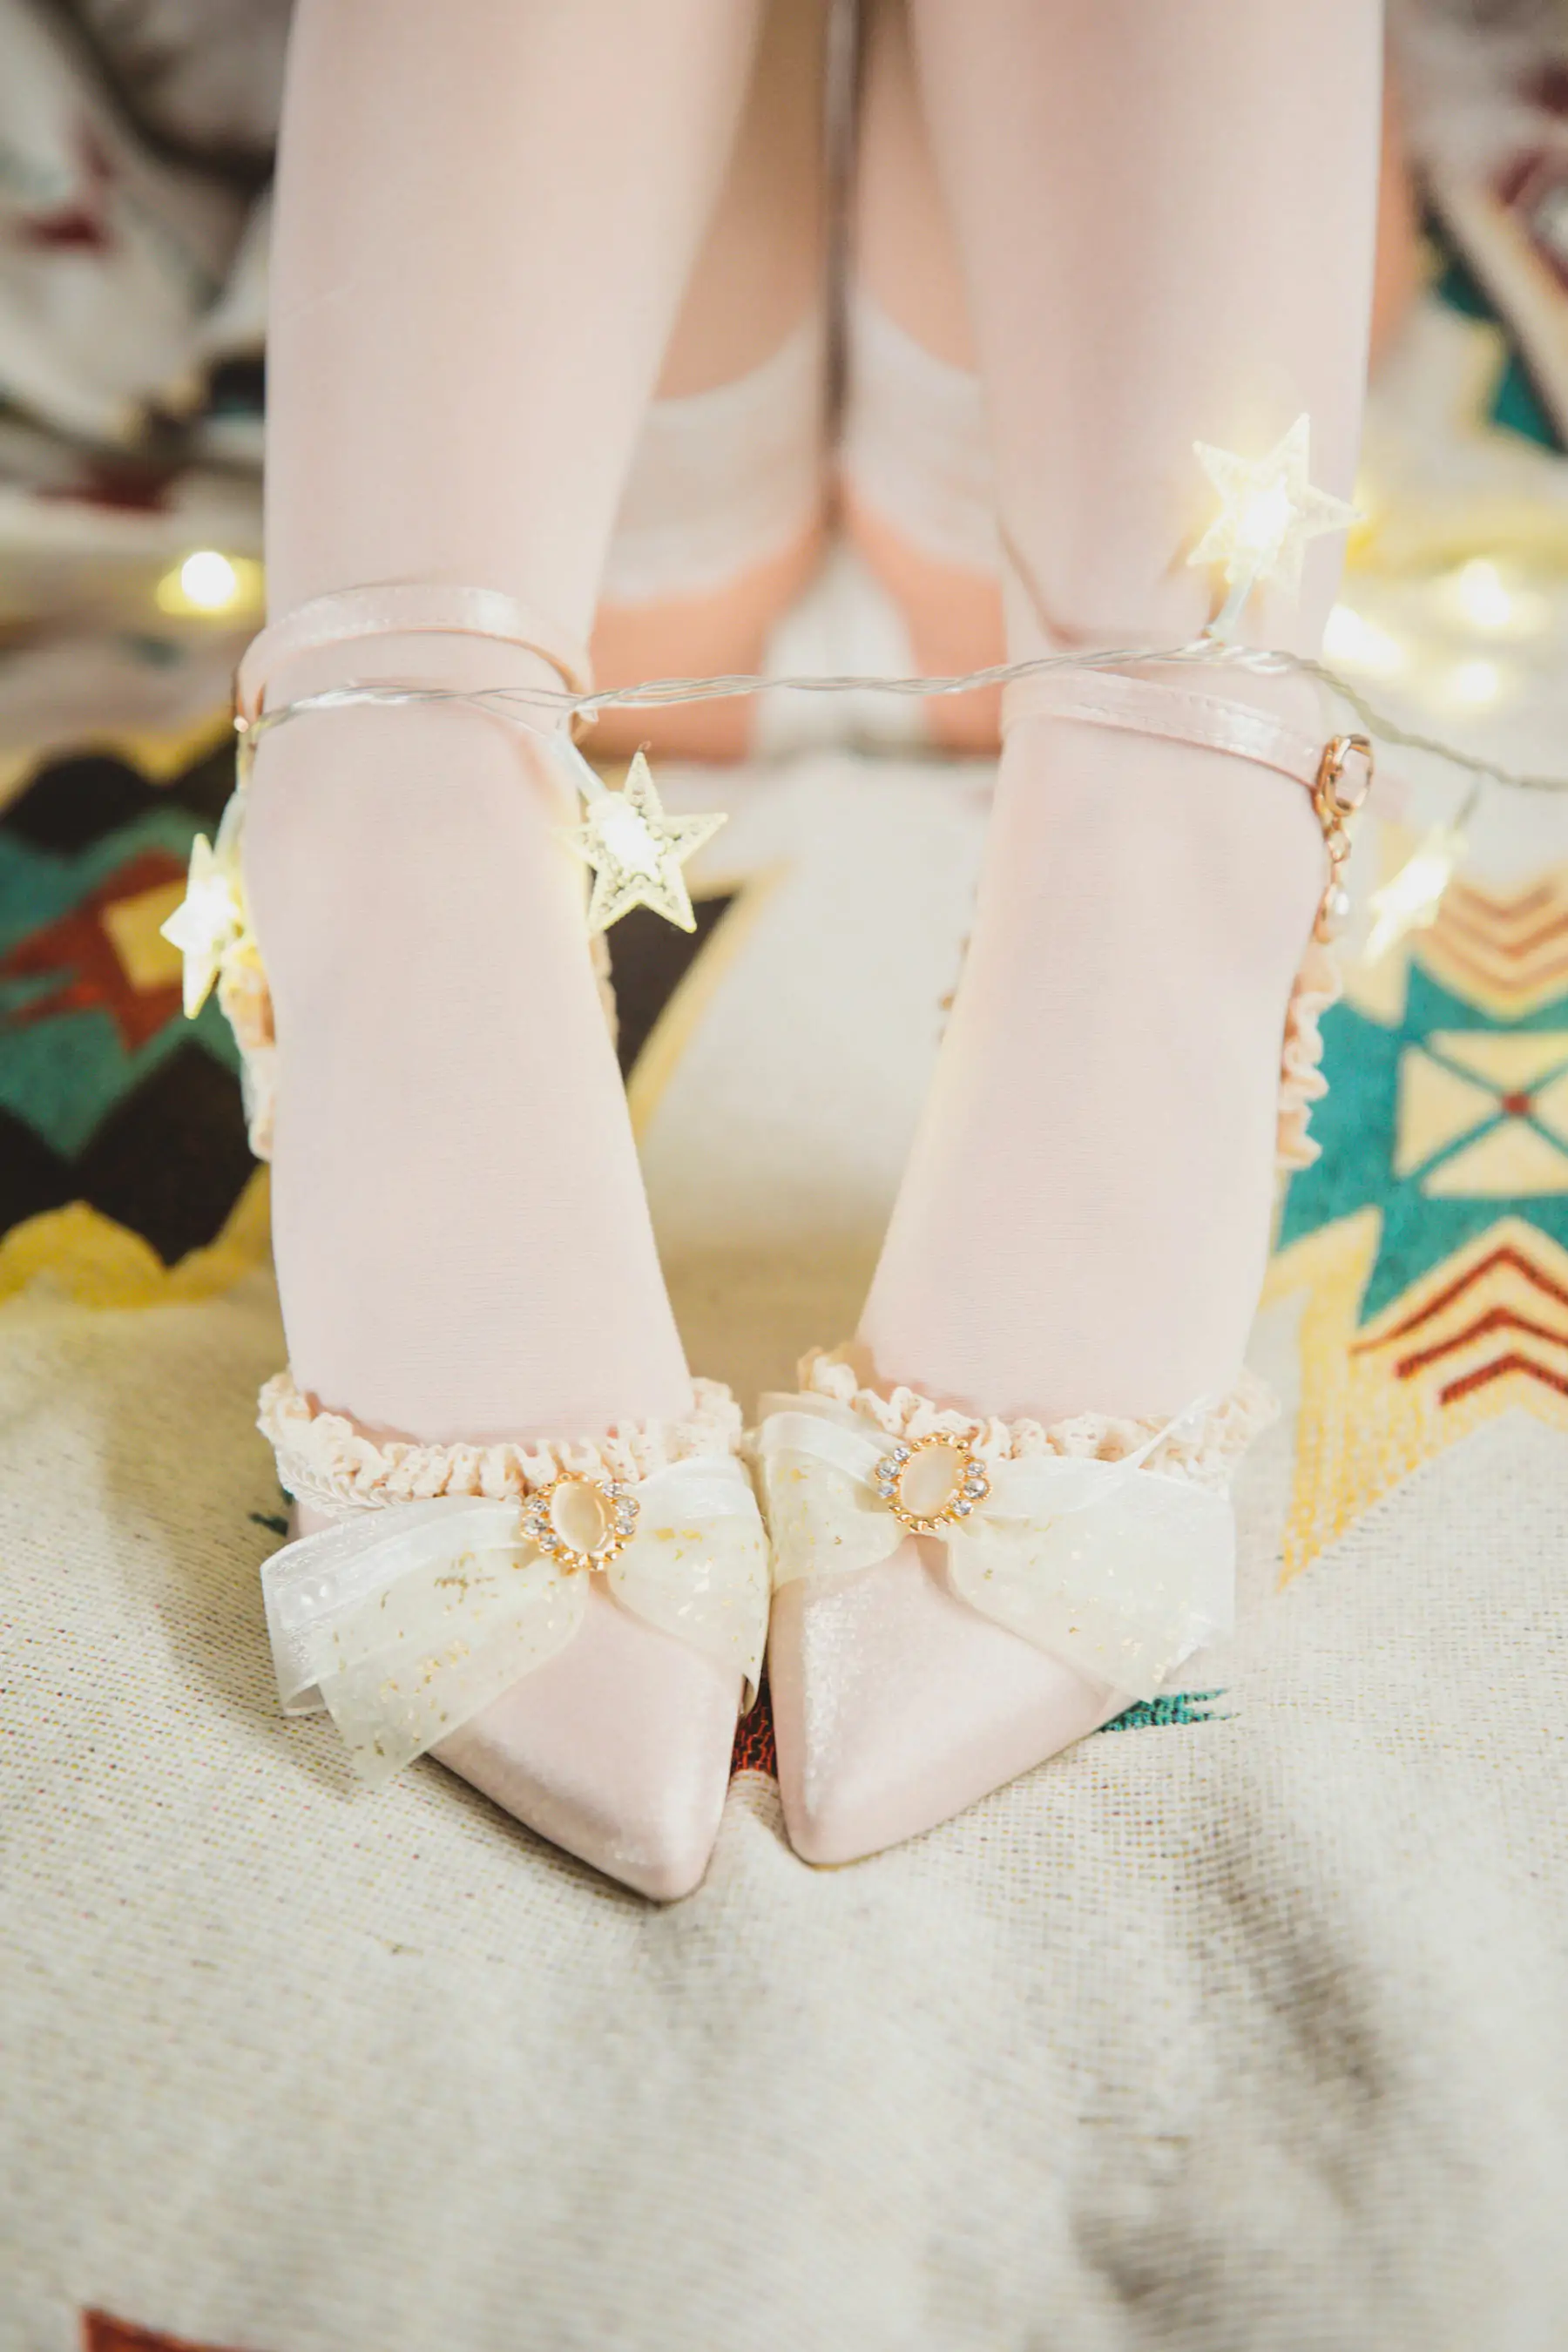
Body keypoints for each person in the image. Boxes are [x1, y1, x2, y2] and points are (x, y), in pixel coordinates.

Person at [231, 0, 1383, 1896]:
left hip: (1070, 369)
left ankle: (1175, 790)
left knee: (1006, 599)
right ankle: (402, 785)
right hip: (622, 340)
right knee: (673, 608)